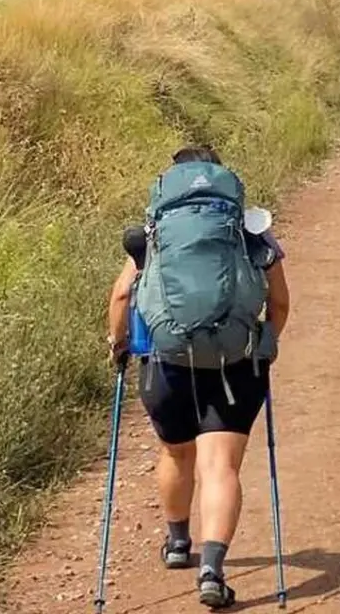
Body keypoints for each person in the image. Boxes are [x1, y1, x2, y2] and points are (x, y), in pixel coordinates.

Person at [106, 144, 290, 610]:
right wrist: (266, 342)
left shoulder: (158, 233)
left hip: (167, 363)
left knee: (175, 452)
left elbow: (123, 297)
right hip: (236, 363)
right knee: (220, 466)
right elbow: (280, 301)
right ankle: (212, 568)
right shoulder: (250, 232)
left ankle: (177, 542)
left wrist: (119, 345)